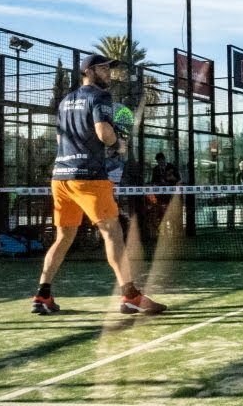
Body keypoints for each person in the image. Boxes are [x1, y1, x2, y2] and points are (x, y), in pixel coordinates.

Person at [31, 53, 164, 316]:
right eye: (104, 69)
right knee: (112, 233)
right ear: (89, 71)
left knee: (63, 237)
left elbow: (61, 140)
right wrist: (118, 144)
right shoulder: (100, 97)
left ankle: (42, 295)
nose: (109, 73)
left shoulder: (65, 102)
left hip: (61, 178)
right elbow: (104, 133)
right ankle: (130, 296)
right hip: (89, 179)